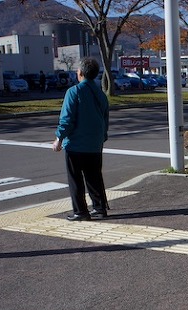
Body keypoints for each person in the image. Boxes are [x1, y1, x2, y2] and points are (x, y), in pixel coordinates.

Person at [52, 58, 109, 221]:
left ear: (81, 73)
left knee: (75, 179)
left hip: (76, 144)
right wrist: (103, 136)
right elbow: (105, 119)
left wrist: (59, 139)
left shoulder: (74, 92)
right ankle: (99, 207)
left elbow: (67, 119)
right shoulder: (101, 94)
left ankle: (80, 211)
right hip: (95, 144)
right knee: (94, 177)